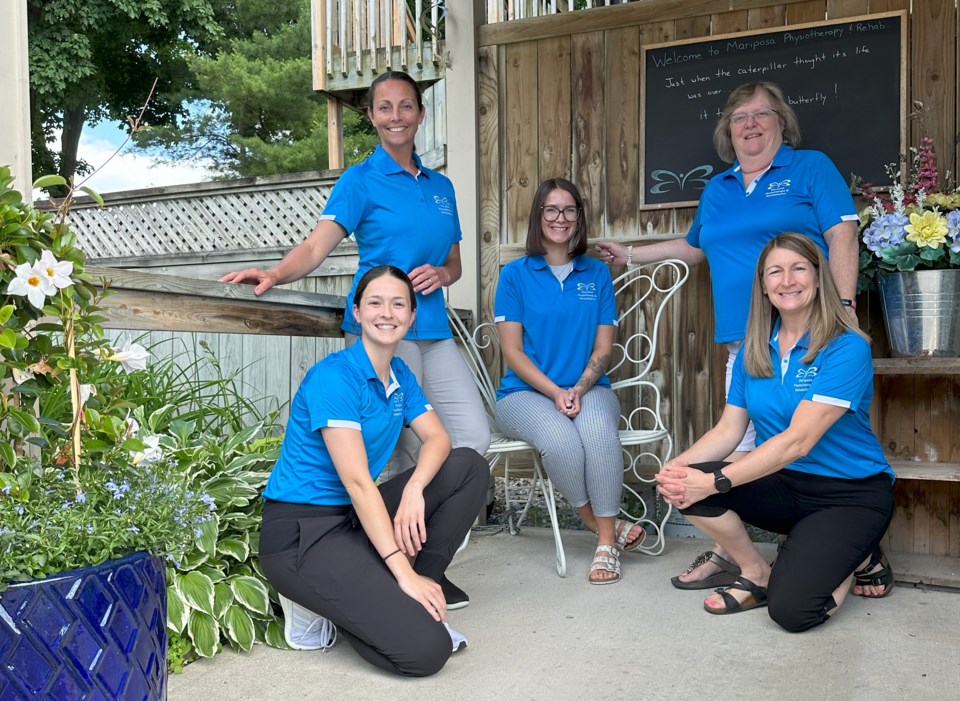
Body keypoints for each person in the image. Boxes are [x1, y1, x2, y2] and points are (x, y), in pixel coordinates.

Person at [596, 81, 861, 591]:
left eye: (762, 114)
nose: (751, 124)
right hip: (745, 342)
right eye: (740, 117)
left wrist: (843, 312)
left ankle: (833, 544)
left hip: (812, 333)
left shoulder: (810, 168)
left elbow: (842, 233)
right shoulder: (718, 189)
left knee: (804, 442)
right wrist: (629, 254)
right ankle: (734, 550)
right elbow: (695, 248)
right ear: (727, 130)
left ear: (781, 122)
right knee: (737, 441)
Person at [221, 70, 489, 488]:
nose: (395, 116)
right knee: (400, 450)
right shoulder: (359, 181)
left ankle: (420, 531)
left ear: (420, 114)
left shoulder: (442, 187)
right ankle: (394, 543)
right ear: (371, 115)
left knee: (472, 437)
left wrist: (441, 273)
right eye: (385, 107)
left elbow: (454, 264)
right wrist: (273, 273)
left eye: (405, 106)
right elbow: (314, 248)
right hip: (382, 329)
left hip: (434, 329)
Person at [655, 233, 894, 630]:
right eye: (776, 272)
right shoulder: (755, 350)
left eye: (799, 268)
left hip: (849, 495)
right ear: (764, 287)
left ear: (819, 279)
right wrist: (676, 470)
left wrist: (715, 480)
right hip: (783, 484)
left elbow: (798, 441)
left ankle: (859, 555)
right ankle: (756, 572)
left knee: (793, 612)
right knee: (685, 484)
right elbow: (728, 429)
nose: (788, 280)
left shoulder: (845, 347)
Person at [258, 265, 488, 676]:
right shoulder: (335, 377)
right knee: (427, 652)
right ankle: (323, 603)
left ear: (412, 316)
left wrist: (416, 488)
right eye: (376, 303)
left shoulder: (398, 374)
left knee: (467, 467)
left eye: (399, 304)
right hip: (300, 534)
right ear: (358, 312)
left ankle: (414, 592)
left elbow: (440, 440)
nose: (388, 313)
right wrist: (400, 571)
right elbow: (359, 482)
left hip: (351, 521)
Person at [493, 178, 644, 585]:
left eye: (569, 210)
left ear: (579, 217)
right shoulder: (514, 275)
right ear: (538, 216)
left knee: (596, 432)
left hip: (590, 388)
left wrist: (577, 388)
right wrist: (556, 392)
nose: (561, 218)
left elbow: (603, 349)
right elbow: (514, 353)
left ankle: (606, 545)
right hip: (523, 394)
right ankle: (599, 526)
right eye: (551, 210)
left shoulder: (596, 273)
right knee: (560, 439)